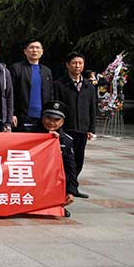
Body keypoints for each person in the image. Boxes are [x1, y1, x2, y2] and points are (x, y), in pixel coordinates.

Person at [53, 52, 97, 184]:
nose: (77, 66)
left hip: (82, 128)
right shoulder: (59, 84)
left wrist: (91, 129)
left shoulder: (89, 86)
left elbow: (92, 108)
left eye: (80, 63)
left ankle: (72, 185)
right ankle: (64, 186)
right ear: (68, 65)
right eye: (74, 63)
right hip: (66, 128)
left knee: (79, 159)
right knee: (66, 159)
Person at [36, 100, 80, 211]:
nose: (51, 122)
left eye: (56, 120)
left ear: (62, 122)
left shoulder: (67, 140)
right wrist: (44, 137)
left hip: (52, 180)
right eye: (48, 118)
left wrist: (71, 191)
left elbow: (71, 169)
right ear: (42, 118)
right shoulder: (29, 133)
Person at [9, 39, 53, 133]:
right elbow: (10, 93)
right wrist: (12, 113)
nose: (34, 50)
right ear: (25, 51)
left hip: (43, 118)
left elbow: (50, 95)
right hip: (22, 117)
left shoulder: (46, 71)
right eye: (31, 47)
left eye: (37, 48)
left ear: (42, 51)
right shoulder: (16, 68)